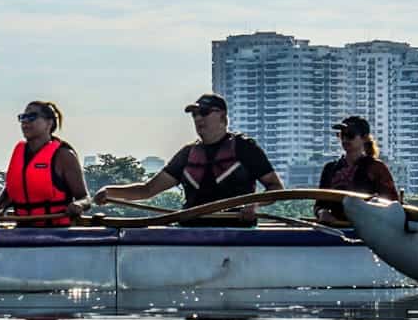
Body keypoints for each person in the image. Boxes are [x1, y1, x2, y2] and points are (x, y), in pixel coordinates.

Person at [92, 93, 282, 224]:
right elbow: (147, 190)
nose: (198, 118)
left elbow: (275, 189)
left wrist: (254, 204)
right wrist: (109, 192)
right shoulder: (187, 154)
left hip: (237, 232)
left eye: (205, 113)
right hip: (193, 231)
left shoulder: (245, 148)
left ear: (223, 117)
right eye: (195, 114)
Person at [0, 101, 89, 227]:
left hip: (56, 231)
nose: (25, 122)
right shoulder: (19, 151)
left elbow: (85, 199)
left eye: (32, 117)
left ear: (49, 123)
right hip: (22, 229)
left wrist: (79, 205)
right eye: (22, 117)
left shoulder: (64, 155)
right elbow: (12, 189)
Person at [316, 115, 399, 224]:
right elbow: (320, 204)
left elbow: (391, 204)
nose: (345, 140)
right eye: (342, 135)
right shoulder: (330, 168)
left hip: (368, 232)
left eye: (350, 135)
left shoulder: (376, 168)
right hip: (335, 230)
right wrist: (322, 212)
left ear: (364, 138)